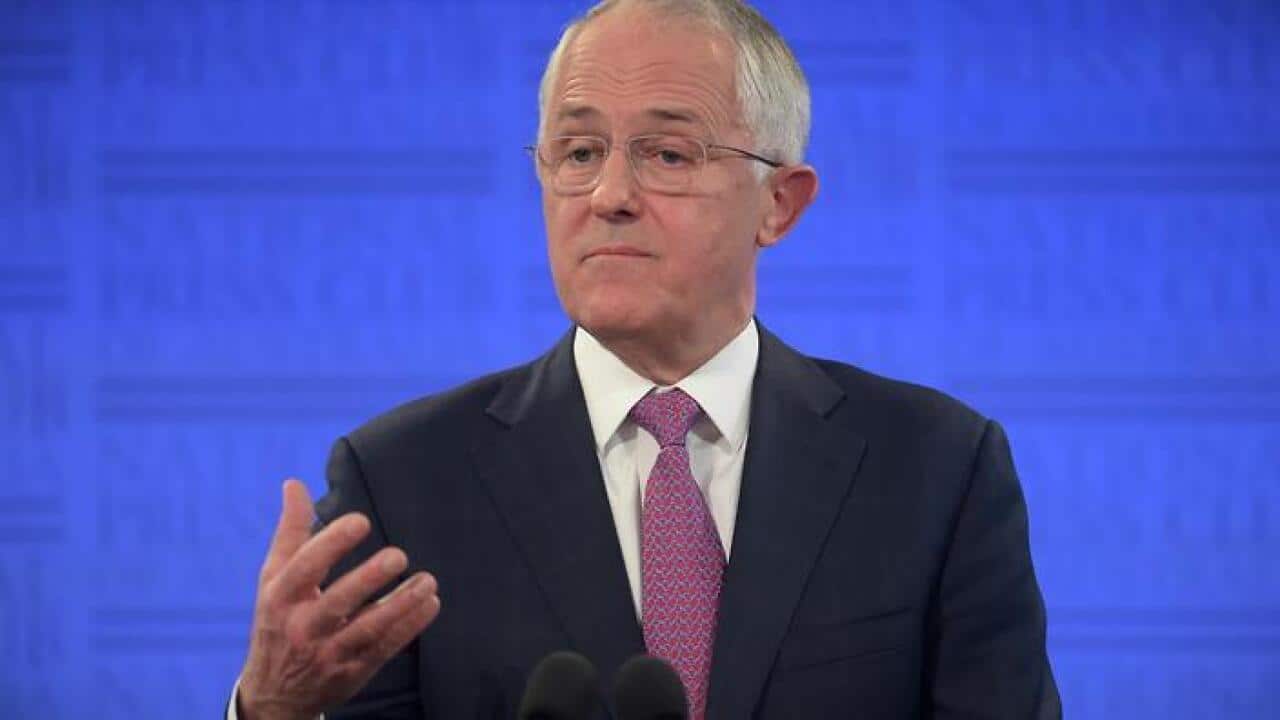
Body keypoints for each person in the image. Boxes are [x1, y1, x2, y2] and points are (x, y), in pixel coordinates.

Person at [229, 0, 1061, 718]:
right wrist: (269, 710)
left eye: (667, 154)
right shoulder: (403, 482)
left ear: (779, 203)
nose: (609, 196)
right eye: (578, 153)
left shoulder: (936, 470)